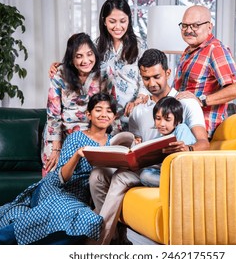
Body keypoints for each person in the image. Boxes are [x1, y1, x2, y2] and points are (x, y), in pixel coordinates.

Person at [89, 48, 210, 245]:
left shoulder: (185, 104)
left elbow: (204, 144)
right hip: (143, 167)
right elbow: (136, 147)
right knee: (97, 175)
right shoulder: (139, 109)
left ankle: (99, 243)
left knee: (119, 178)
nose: (152, 84)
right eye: (146, 78)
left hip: (165, 170)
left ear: (168, 73)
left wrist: (187, 149)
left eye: (157, 77)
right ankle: (117, 237)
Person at [0, 93, 117, 245]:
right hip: (57, 188)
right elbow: (62, 177)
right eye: (98, 109)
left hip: (81, 198)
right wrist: (77, 155)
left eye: (109, 111)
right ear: (89, 115)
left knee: (86, 222)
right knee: (61, 208)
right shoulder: (76, 138)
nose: (104, 114)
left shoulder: (114, 143)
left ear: (114, 117)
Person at [49, 0, 148, 134]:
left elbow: (146, 77)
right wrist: (62, 65)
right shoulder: (96, 45)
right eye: (112, 21)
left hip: (132, 112)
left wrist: (138, 100)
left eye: (123, 21)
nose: (118, 27)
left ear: (129, 20)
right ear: (104, 21)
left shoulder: (140, 45)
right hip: (105, 117)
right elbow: (82, 64)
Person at [174, 5, 236, 140]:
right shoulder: (188, 52)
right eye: (184, 25)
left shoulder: (215, 49)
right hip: (182, 125)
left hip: (201, 131)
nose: (188, 30)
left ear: (209, 27)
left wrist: (202, 101)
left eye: (195, 25)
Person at [42, 32, 106, 177]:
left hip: (92, 135)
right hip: (61, 135)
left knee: (89, 178)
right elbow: (53, 113)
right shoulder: (60, 73)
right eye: (79, 56)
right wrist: (56, 147)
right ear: (71, 58)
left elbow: (111, 108)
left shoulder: (103, 74)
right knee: (54, 175)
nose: (86, 60)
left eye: (89, 54)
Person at [139, 96, 196, 187]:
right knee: (145, 175)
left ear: (177, 120)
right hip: (167, 172)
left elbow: (186, 159)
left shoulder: (181, 128)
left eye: (167, 119)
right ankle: (176, 185)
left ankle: (184, 184)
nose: (161, 124)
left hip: (183, 172)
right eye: (158, 119)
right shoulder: (158, 138)